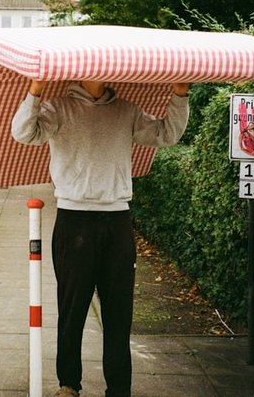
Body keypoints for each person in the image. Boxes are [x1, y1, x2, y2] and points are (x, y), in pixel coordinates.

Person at [11, 79, 190, 397]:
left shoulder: (125, 110)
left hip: (118, 220)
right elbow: (24, 133)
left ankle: (119, 388)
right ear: (80, 72)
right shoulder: (58, 107)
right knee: (72, 309)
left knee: (119, 312)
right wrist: (35, 92)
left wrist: (179, 95)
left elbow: (166, 134)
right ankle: (69, 384)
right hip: (74, 219)